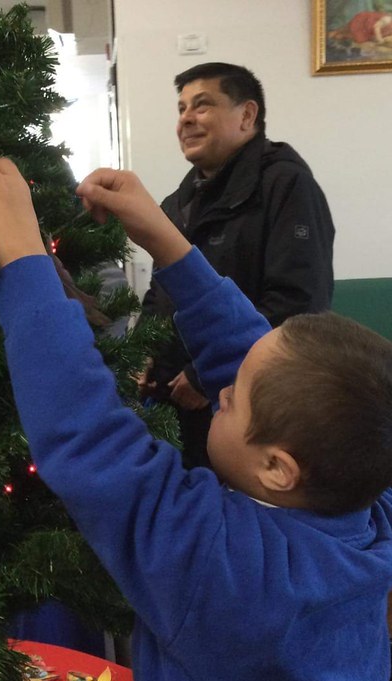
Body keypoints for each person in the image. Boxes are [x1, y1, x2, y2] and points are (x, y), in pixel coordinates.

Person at [0, 157, 392, 681]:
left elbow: (88, 436)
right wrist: (165, 239)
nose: (221, 389)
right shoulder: (370, 506)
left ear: (279, 467)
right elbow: (249, 353)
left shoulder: (222, 564)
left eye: (232, 399)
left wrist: (20, 253)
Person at [137, 62, 335, 469]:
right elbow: (161, 290)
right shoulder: (179, 202)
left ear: (247, 115)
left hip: (246, 405)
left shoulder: (287, 186)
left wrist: (208, 374)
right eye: (181, 108)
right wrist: (143, 351)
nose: (186, 120)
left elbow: (298, 304)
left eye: (202, 105)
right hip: (175, 406)